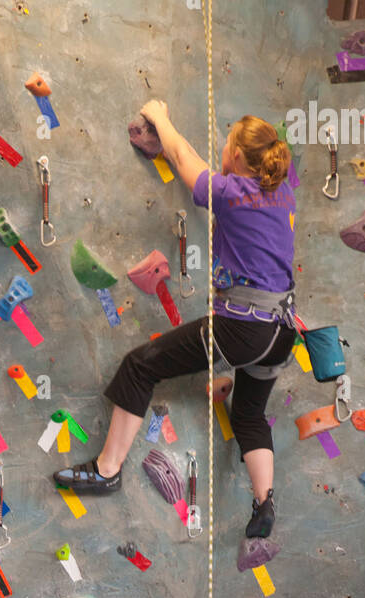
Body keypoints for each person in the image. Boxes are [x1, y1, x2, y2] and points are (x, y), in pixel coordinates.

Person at [53, 104, 296, 539]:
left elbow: (190, 164)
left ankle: (107, 469)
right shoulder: (278, 193)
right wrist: (164, 146)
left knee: (140, 364)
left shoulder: (233, 194)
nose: (220, 149)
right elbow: (195, 165)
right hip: (280, 331)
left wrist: (161, 117)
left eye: (226, 143)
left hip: (243, 326)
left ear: (238, 157)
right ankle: (264, 501)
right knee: (249, 413)